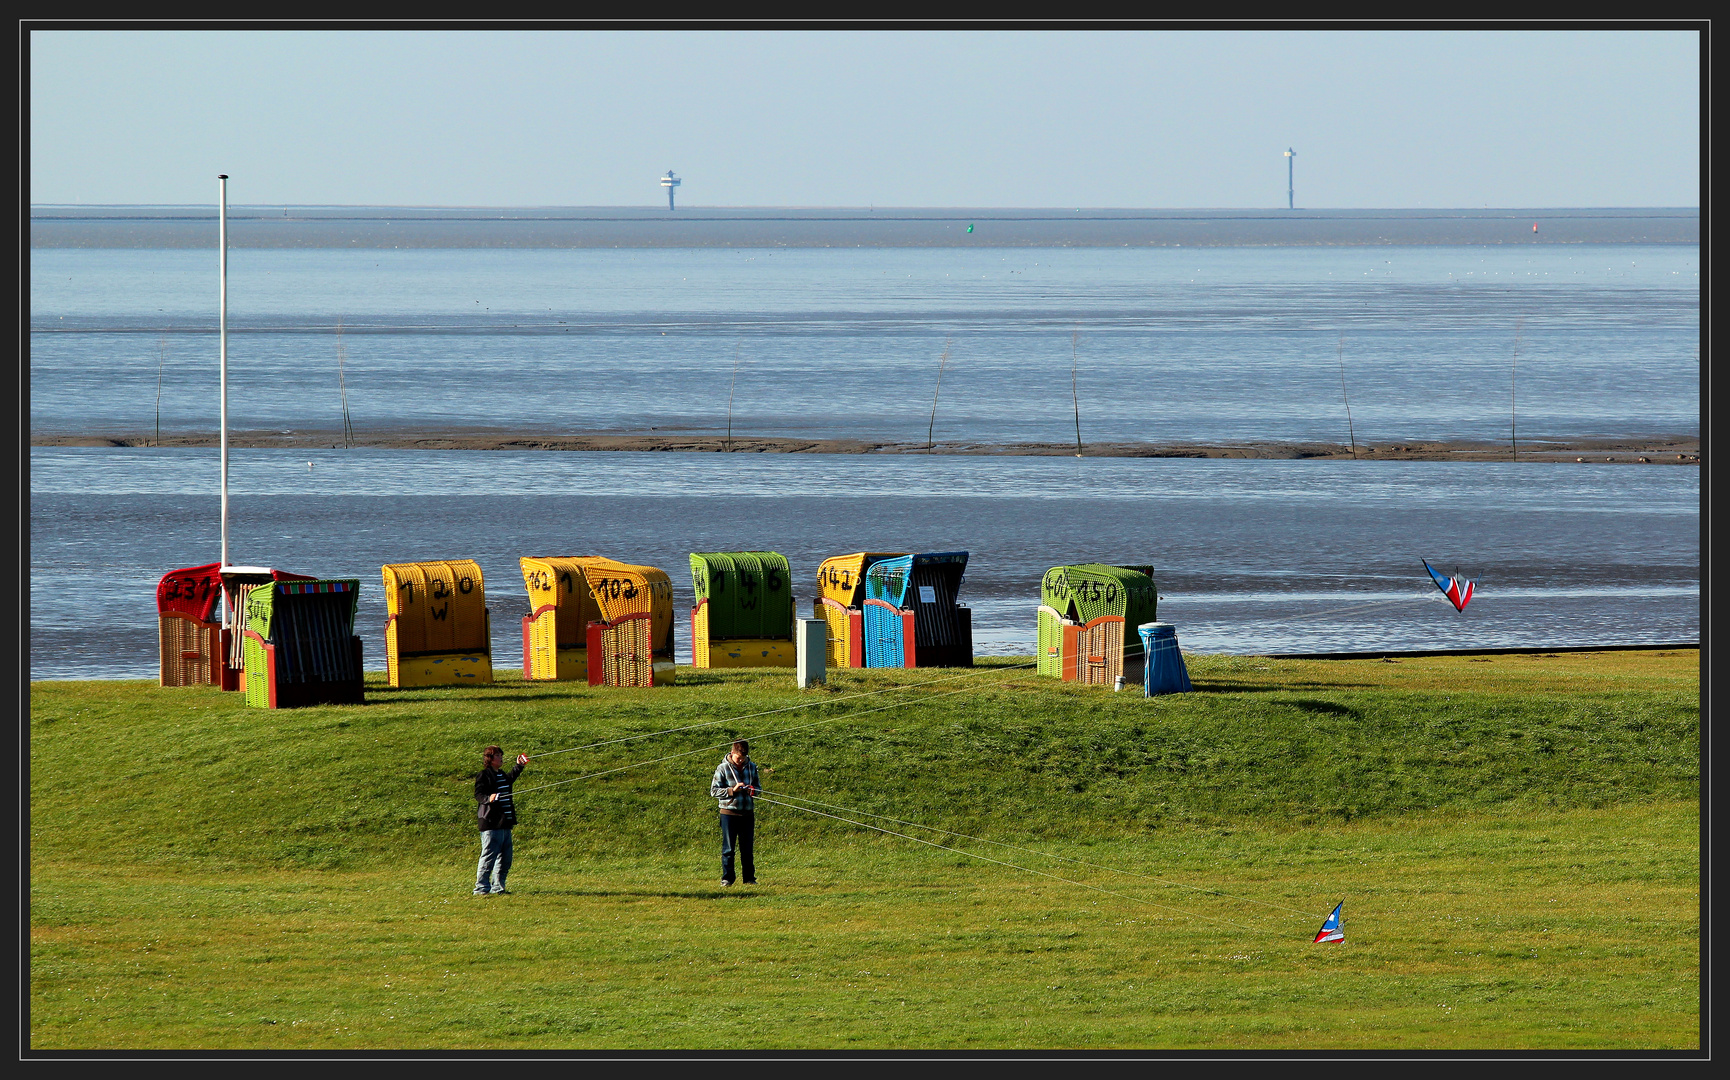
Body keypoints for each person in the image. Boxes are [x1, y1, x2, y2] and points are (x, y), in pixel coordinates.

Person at [474, 745, 529, 895]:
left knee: (505, 859)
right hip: (491, 822)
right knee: (489, 857)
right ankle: (481, 889)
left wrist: (519, 766)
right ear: (490, 759)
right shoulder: (484, 775)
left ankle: (498, 888)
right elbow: (478, 794)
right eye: (498, 755)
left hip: (505, 821)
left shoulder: (501, 774)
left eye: (501, 755)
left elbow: (509, 781)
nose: (501, 758)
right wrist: (488, 798)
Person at [709, 739, 762, 887]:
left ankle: (749, 878)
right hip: (729, 814)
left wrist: (753, 790)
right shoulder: (722, 768)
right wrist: (733, 790)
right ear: (732, 753)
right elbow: (714, 791)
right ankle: (727, 879)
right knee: (728, 849)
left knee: (747, 849)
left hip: (747, 814)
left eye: (743, 758)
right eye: (738, 758)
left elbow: (759, 788)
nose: (741, 761)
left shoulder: (752, 767)